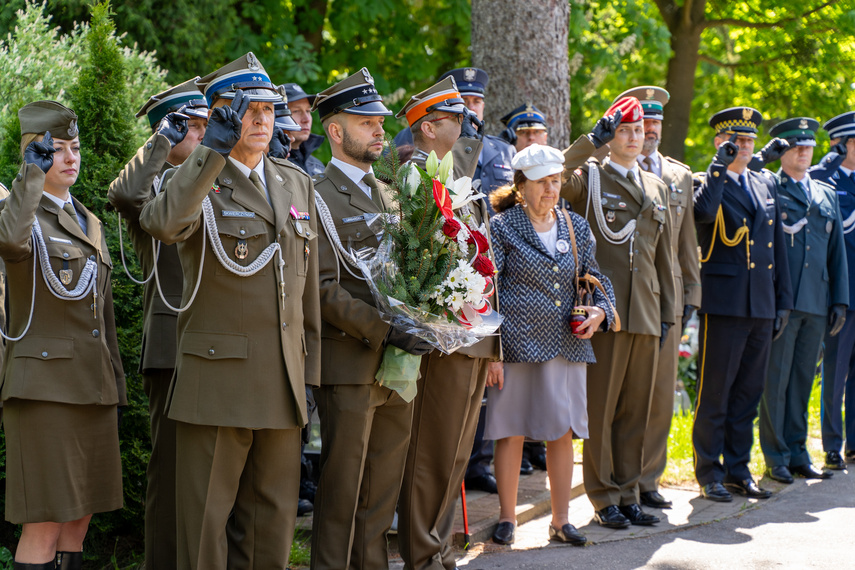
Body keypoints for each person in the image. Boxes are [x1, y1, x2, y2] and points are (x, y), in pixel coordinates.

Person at [139, 52, 321, 570]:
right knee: (203, 536)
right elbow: (163, 223)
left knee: (271, 530)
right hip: (217, 383)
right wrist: (209, 153)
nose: (263, 119)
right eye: (248, 109)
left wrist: (310, 375)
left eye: (268, 109)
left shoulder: (294, 182)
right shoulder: (201, 177)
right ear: (220, 114)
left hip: (282, 383)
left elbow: (303, 289)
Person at [309, 68, 432, 570]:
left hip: (398, 364)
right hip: (351, 361)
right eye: (365, 122)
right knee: (342, 492)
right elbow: (317, 288)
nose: (380, 129)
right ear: (335, 132)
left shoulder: (389, 193)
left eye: (380, 121)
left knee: (382, 489)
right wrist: (384, 329)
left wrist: (431, 315)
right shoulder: (314, 193)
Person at [0, 101, 126, 570]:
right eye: (57, 149)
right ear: (33, 153)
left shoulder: (86, 219)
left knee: (80, 517)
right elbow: (10, 243)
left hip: (91, 389)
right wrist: (29, 178)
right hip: (44, 393)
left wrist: (116, 387)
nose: (71, 157)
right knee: (46, 521)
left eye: (76, 148)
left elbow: (103, 317)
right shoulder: (16, 211)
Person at [485, 144, 616, 546]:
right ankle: (508, 518)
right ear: (520, 186)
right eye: (542, 182)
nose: (551, 190)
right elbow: (487, 292)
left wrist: (600, 313)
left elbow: (594, 277)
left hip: (566, 344)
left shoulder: (574, 226)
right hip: (517, 345)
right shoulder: (502, 228)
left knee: (562, 432)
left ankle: (561, 521)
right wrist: (492, 353)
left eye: (556, 181)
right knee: (511, 432)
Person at [393, 76, 499, 570]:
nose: (464, 125)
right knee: (432, 452)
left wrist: (494, 344)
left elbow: (483, 257)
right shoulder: (414, 177)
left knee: (456, 453)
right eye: (454, 118)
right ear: (428, 128)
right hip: (444, 335)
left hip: (473, 332)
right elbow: (417, 258)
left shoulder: (457, 177)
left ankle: (437, 545)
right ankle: (421, 550)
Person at [560, 96, 675, 529]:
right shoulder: (590, 177)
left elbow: (662, 257)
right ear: (613, 135)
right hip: (604, 310)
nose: (634, 137)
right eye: (624, 129)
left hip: (645, 310)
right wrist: (591, 141)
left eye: (639, 129)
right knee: (602, 408)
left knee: (635, 410)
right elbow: (554, 176)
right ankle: (603, 495)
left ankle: (629, 492)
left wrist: (669, 312)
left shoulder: (656, 186)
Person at [108, 78, 208, 569]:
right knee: (169, 475)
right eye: (193, 126)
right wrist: (161, 142)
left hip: (222, 346)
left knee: (213, 479)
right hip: (173, 346)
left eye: (209, 123)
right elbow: (123, 193)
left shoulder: (218, 176)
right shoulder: (157, 189)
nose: (205, 134)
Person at [692, 107, 794, 503]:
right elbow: (703, 213)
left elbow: (777, 248)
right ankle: (708, 472)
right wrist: (718, 167)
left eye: (751, 141)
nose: (746, 147)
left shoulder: (765, 183)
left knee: (748, 394)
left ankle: (738, 469)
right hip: (725, 303)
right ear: (721, 143)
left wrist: (783, 300)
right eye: (738, 141)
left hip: (761, 303)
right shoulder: (709, 180)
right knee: (715, 392)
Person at [611, 86, 702, 509]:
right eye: (641, 123)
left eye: (655, 123)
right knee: (624, 395)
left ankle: (649, 479)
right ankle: (619, 478)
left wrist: (691, 298)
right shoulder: (607, 167)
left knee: (660, 395)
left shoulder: (679, 175)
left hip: (669, 297)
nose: (649, 130)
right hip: (627, 297)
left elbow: (686, 246)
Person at [757, 117, 847, 484]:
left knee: (800, 381)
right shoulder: (769, 188)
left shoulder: (824, 193)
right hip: (785, 301)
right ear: (783, 151)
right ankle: (775, 455)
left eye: (808, 146)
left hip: (816, 299)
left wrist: (839, 299)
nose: (804, 151)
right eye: (796, 146)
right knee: (775, 382)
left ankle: (797, 451)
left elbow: (836, 251)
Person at [808, 112, 855, 469]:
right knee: (836, 372)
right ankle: (832, 445)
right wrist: (828, 164)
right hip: (842, 293)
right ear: (840, 145)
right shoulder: (826, 180)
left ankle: (854, 442)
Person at [282, 82, 325, 176]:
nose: (306, 119)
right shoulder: (268, 163)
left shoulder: (317, 166)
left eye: (308, 111)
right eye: (296, 111)